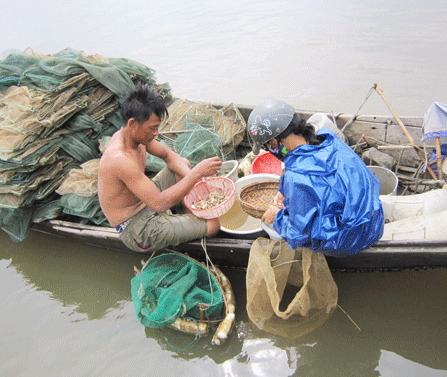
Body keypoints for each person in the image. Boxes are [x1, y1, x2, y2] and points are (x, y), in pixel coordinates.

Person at [248, 99, 384, 257]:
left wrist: (277, 218)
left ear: (274, 142)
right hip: (374, 219)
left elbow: (302, 236)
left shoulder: (295, 177)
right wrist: (288, 191)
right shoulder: (328, 139)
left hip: (354, 239)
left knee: (299, 234)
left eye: (268, 146)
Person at [98, 83, 222, 253]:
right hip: (137, 227)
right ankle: (192, 223)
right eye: (152, 128)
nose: (156, 133)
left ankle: (188, 219)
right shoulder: (120, 159)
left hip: (147, 201)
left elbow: (169, 156)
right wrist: (197, 173)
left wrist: (195, 177)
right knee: (214, 224)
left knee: (182, 165)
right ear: (132, 124)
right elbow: (158, 203)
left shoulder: (138, 139)